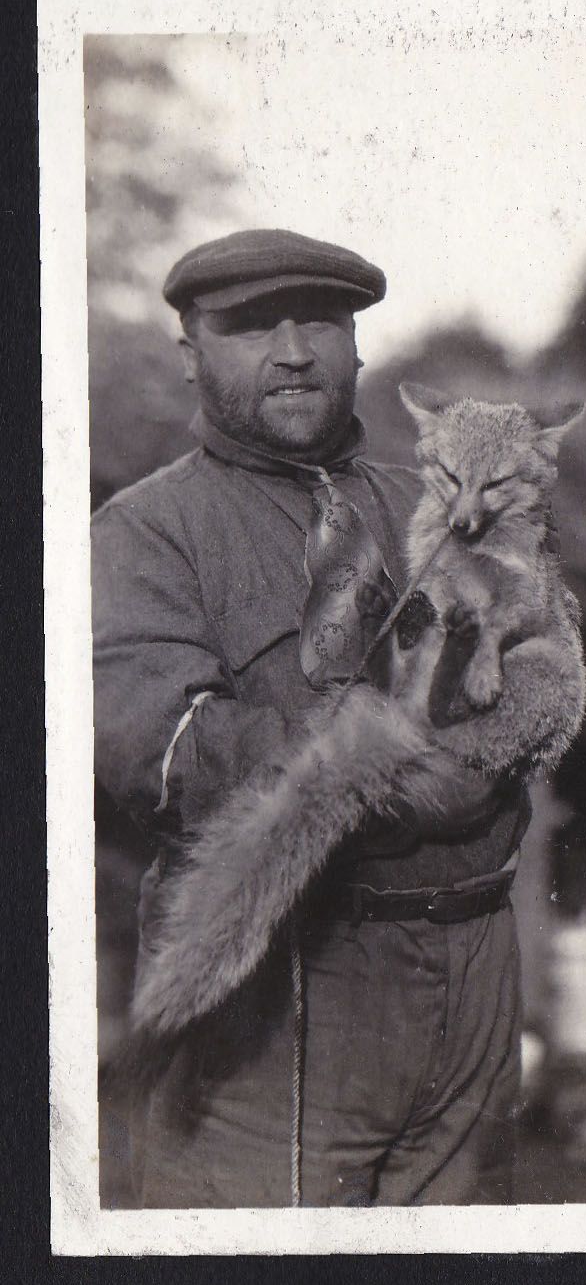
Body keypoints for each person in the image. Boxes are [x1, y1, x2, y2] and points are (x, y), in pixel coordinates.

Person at [93, 229, 531, 1207]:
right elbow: (162, 757)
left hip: (474, 965)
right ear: (191, 351)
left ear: (357, 344)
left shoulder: (438, 505)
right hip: (283, 976)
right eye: (250, 324)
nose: (294, 350)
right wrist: (398, 769)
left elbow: (537, 665)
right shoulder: (144, 533)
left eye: (321, 320)